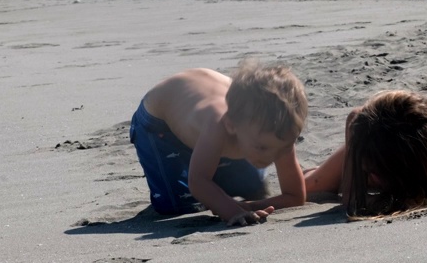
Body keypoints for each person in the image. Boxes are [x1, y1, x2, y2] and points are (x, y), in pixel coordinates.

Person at [129, 60, 308, 226]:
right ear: (231, 125)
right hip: (159, 122)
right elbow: (198, 181)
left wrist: (249, 205)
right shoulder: (218, 125)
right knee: (179, 206)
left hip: (210, 102)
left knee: (253, 188)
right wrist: (232, 211)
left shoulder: (278, 131)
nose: (270, 158)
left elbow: (295, 197)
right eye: (262, 148)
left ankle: (212, 164)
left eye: (281, 149)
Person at [303, 90, 427, 218]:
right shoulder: (365, 136)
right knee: (309, 186)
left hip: (411, 143)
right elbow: (351, 200)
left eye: (372, 172)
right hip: (383, 133)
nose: (367, 173)